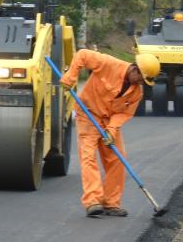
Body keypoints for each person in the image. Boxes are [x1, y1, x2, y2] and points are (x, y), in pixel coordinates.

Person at [59, 49, 161, 218]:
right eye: (142, 78)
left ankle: (111, 203)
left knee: (117, 159)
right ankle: (93, 202)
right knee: (88, 157)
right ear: (135, 69)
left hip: (108, 122)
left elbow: (125, 113)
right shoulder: (108, 63)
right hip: (88, 115)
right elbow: (82, 55)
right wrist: (71, 76)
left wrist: (112, 129)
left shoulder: (137, 92)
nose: (142, 83)